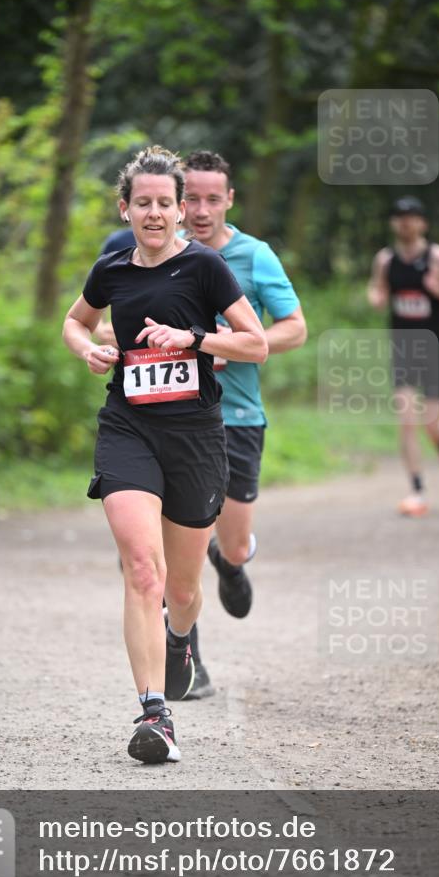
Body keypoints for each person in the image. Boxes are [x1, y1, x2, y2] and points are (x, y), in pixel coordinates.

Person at [62, 146, 268, 764]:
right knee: (141, 570)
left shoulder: (207, 268)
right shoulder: (111, 269)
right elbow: (76, 322)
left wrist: (194, 339)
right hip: (127, 426)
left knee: (181, 588)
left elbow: (255, 344)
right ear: (125, 208)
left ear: (181, 211)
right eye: (143, 203)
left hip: (195, 437)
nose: (154, 214)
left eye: (165, 204)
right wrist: (87, 349)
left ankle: (181, 638)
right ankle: (155, 713)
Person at [181, 150, 307, 698]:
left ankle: (229, 562)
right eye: (191, 197)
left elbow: (295, 329)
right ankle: (188, 663)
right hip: (175, 416)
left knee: (229, 545)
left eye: (213, 198)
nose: (200, 209)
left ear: (230, 200)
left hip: (237, 419)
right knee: (170, 551)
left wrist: (240, 346)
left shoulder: (254, 257)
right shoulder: (156, 253)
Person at [367, 196, 439, 516]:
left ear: (422, 223)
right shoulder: (385, 260)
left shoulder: (437, 257)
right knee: (406, 419)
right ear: (393, 223)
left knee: (431, 421)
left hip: (436, 346)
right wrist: (376, 297)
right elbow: (376, 289)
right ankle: (417, 491)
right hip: (403, 346)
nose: (406, 222)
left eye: (412, 217)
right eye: (400, 217)